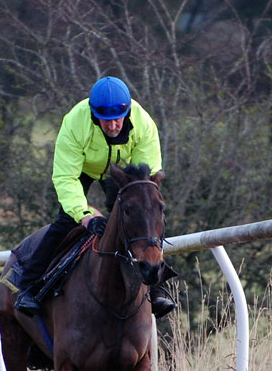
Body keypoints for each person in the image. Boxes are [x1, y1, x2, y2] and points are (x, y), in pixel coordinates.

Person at [14, 76, 177, 318]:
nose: (112, 127)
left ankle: (158, 288)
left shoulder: (144, 123)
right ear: (93, 114)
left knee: (145, 215)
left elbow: (148, 178)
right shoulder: (75, 123)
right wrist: (86, 216)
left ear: (128, 112)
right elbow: (65, 178)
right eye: (105, 121)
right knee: (66, 222)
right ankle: (27, 288)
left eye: (117, 120)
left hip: (122, 170)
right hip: (82, 169)